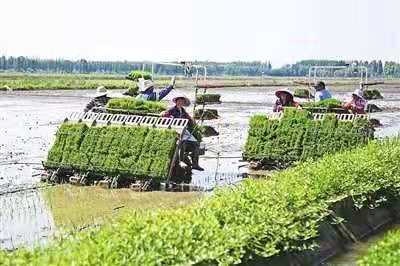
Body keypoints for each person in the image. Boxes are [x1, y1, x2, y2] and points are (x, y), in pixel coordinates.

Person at [161, 94, 204, 171]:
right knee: (183, 143)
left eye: (182, 101)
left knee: (196, 144)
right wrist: (165, 115)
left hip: (184, 130)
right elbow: (165, 116)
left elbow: (189, 119)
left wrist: (193, 121)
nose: (180, 102)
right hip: (175, 130)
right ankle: (181, 161)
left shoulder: (183, 111)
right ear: (176, 102)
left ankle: (195, 164)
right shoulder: (172, 110)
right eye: (179, 101)